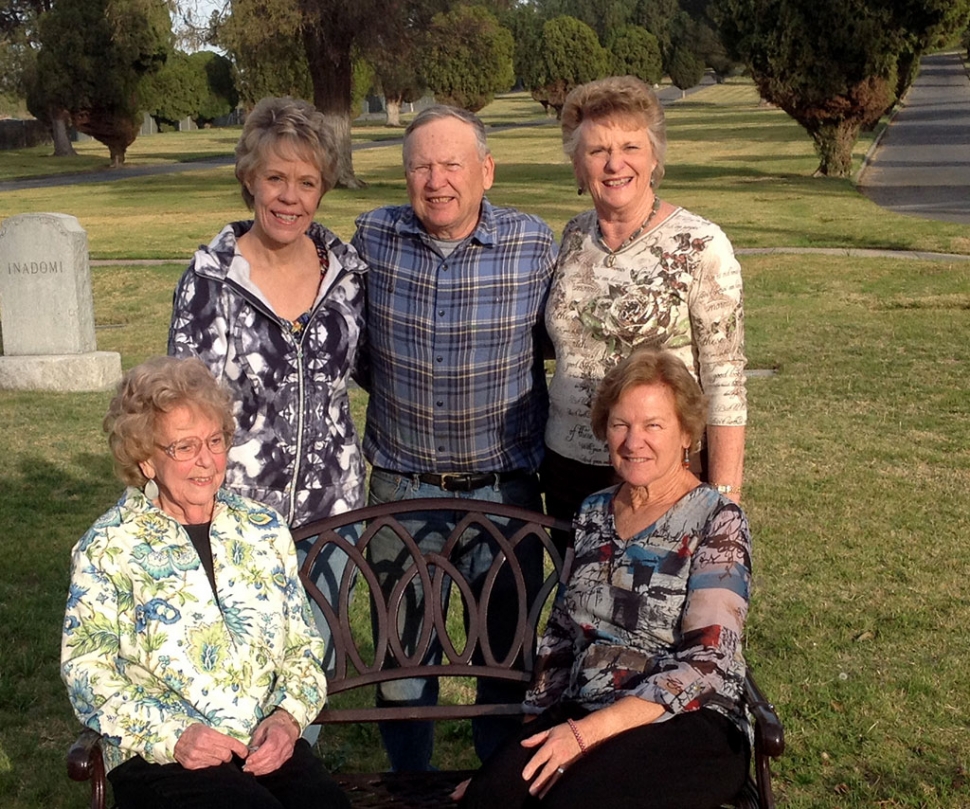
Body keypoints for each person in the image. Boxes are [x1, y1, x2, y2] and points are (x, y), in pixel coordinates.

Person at [350, 104, 557, 772]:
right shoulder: (372, 237)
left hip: (506, 489)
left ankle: (498, 783)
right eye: (420, 165)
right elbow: (355, 351)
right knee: (402, 658)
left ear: (486, 171)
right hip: (403, 487)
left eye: (452, 164)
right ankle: (412, 781)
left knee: (507, 653)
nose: (436, 180)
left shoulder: (533, 246)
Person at [460, 349, 752, 809]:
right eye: (621, 424)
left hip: (688, 721)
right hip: (589, 707)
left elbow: (709, 661)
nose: (634, 441)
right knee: (488, 800)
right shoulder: (594, 511)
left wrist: (585, 734)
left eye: (654, 425)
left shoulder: (718, 519)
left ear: (687, 434)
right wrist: (511, 762)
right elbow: (561, 638)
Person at [61, 356, 349, 809]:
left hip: (258, 741)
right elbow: (87, 671)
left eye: (215, 441)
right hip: (160, 754)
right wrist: (174, 735)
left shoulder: (261, 529)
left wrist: (288, 719)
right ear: (146, 460)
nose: (206, 461)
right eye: (184, 446)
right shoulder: (108, 547)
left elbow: (302, 647)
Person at [542, 76, 746, 539]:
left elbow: (726, 377)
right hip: (566, 473)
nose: (615, 164)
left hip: (659, 474)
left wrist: (725, 496)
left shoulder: (702, 244)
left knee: (653, 607)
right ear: (577, 166)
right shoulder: (573, 237)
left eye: (630, 147)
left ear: (654, 158)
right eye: (597, 152)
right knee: (577, 603)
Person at [168, 95, 366, 530]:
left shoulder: (347, 276)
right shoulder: (210, 282)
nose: (290, 198)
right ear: (250, 178)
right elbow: (184, 410)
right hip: (236, 521)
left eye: (307, 183)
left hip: (334, 515)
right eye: (275, 178)